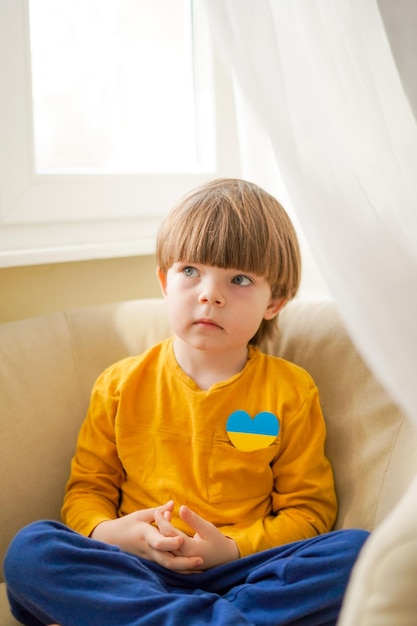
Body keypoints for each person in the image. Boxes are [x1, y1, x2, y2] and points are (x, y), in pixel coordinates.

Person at [4, 179, 368, 626]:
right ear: (164, 281)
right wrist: (113, 534)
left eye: (238, 280)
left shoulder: (291, 391)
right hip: (136, 570)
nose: (209, 294)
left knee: (360, 553)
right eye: (191, 271)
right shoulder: (119, 385)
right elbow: (88, 491)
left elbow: (310, 512)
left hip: (243, 570)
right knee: (32, 550)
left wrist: (230, 549)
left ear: (274, 301)